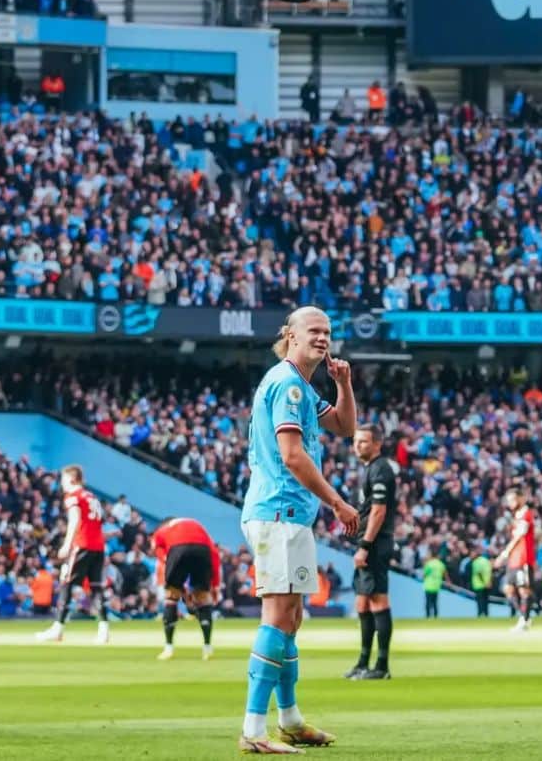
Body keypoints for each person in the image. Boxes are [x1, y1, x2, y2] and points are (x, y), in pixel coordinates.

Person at [237, 306, 359, 754]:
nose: (323, 337)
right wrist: (338, 501)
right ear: (290, 335)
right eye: (314, 330)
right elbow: (292, 455)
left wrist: (343, 382)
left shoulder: (301, 386)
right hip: (280, 512)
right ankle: (253, 729)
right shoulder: (288, 384)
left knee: (292, 617)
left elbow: (346, 427)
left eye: (327, 331)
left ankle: (289, 719)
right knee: (278, 615)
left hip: (290, 516)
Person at [36, 465, 111, 645]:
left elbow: (75, 520)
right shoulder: (91, 496)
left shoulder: (74, 497)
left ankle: (58, 628)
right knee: (96, 587)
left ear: (71, 478)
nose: (61, 484)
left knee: (66, 584)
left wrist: (67, 544)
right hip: (98, 546)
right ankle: (104, 629)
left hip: (82, 545)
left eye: (63, 479)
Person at [344, 424, 396, 681]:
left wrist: (365, 546)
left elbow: (379, 511)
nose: (358, 445)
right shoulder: (370, 469)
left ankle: (382, 666)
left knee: (378, 600)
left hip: (375, 544)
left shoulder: (381, 470)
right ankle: (364, 662)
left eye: (364, 441)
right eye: (356, 441)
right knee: (362, 601)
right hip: (367, 542)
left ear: (377, 444)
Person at [150, 516, 221, 660]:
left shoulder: (162, 529)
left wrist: (167, 562)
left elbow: (156, 547)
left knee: (171, 597)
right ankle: (207, 647)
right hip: (202, 550)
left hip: (178, 550)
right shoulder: (199, 526)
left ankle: (168, 648)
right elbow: (214, 554)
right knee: (203, 598)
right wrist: (215, 585)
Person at [495, 488, 536, 631]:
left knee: (524, 590)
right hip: (514, 559)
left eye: (512, 499)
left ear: (521, 498)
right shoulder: (516, 516)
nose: (510, 503)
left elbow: (519, 536)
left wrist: (504, 554)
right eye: (508, 500)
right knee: (508, 589)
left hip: (524, 557)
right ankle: (525, 616)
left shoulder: (526, 514)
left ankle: (524, 620)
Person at [422, 552, 446, 618]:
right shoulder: (440, 564)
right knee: (435, 603)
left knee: (428, 603)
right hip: (437, 586)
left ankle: (428, 616)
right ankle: (436, 617)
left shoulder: (429, 564)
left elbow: (424, 574)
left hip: (428, 586)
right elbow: (445, 574)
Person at [471, 545, 493, 617]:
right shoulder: (486, 561)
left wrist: (484, 582)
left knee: (479, 601)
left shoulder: (476, 562)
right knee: (486, 600)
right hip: (487, 584)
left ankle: (480, 614)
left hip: (479, 584)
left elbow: (479, 573)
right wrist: (489, 582)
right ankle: (486, 614)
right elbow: (490, 572)